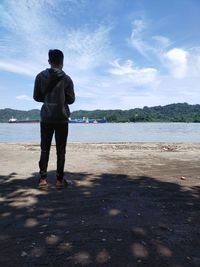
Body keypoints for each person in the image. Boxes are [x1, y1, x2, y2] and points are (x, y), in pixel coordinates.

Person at [33, 49, 75, 188]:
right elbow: (71, 99)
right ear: (62, 62)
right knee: (61, 150)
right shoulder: (67, 79)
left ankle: (43, 180)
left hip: (46, 118)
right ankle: (59, 180)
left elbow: (36, 97)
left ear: (49, 61)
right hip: (61, 118)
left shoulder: (40, 76)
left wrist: (48, 98)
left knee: (44, 149)